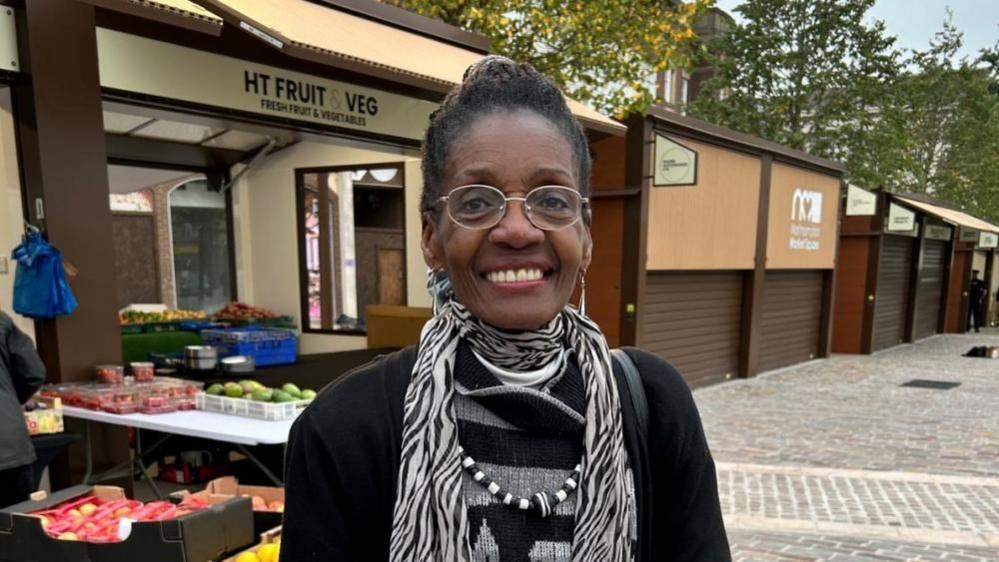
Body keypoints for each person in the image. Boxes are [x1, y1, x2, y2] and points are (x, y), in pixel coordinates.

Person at [281, 56, 730, 561]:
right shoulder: (345, 428)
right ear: (432, 237)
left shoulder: (652, 407)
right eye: (476, 202)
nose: (517, 230)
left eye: (551, 200)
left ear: (584, 234)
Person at [0, 310, 46, 508]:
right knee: (16, 528)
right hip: (9, 445)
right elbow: (33, 373)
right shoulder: (2, 320)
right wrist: (8, 401)